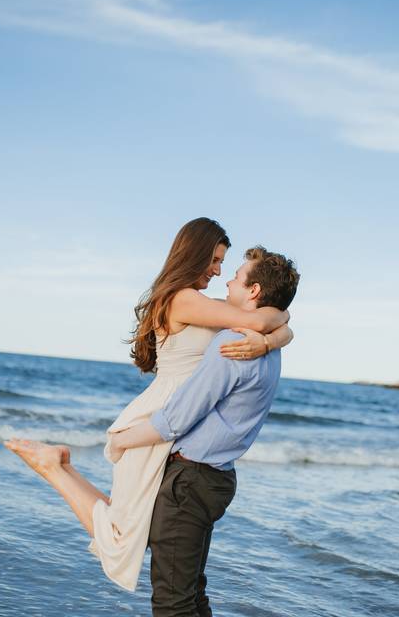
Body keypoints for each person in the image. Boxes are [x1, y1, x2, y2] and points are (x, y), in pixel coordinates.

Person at [4, 218, 293, 592]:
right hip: (161, 419)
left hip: (176, 421)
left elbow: (275, 316)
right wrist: (274, 333)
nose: (219, 270)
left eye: (225, 263)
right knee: (126, 532)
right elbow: (268, 316)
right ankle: (54, 470)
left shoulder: (205, 303)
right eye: (215, 260)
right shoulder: (183, 299)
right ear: (195, 254)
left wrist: (273, 337)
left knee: (131, 522)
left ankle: (59, 466)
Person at [108, 245, 300, 616]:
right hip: (215, 480)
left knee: (172, 603)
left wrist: (120, 441)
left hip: (191, 482)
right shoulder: (268, 347)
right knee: (191, 593)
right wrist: (274, 334)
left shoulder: (231, 344)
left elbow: (176, 419)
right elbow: (282, 321)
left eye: (237, 275)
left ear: (254, 292)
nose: (227, 279)